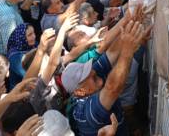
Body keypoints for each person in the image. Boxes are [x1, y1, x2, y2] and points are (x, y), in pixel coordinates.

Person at [63, 8, 149, 136]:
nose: (96, 75)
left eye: (91, 71)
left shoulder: (92, 76)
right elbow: (112, 88)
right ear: (80, 92)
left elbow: (112, 52)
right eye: (91, 78)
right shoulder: (86, 111)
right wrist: (127, 51)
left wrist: (131, 23)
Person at [6, 24, 38, 89]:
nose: (34, 36)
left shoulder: (32, 45)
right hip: (20, 91)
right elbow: (29, 76)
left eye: (34, 33)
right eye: (30, 35)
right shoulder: (14, 57)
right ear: (21, 38)